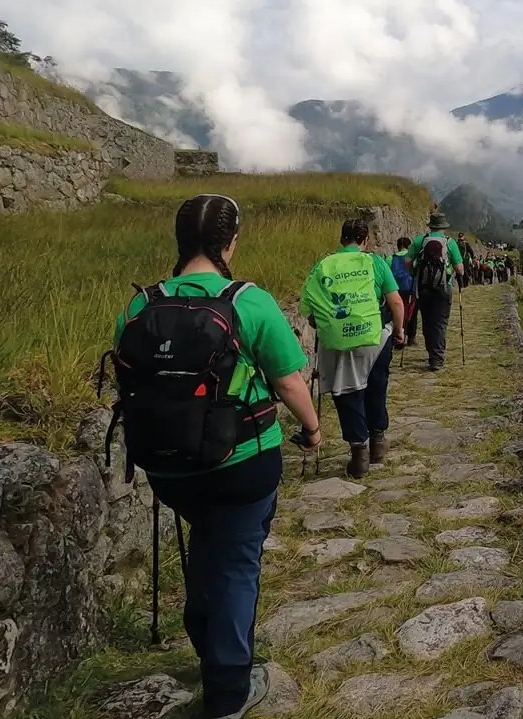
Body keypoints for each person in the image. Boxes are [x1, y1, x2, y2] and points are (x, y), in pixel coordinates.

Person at [110, 194, 321, 719]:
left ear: (179, 242)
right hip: (241, 461)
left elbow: (129, 379)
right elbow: (290, 381)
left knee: (209, 538)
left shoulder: (140, 305)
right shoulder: (248, 302)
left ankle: (205, 634)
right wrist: (313, 430)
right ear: (231, 242)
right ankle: (228, 688)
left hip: (166, 466)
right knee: (235, 561)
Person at [301, 219, 405, 478]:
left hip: (337, 341)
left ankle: (359, 453)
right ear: (365, 241)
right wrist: (400, 330)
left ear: (341, 239)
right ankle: (378, 442)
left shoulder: (323, 266)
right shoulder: (375, 262)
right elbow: (396, 302)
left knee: (347, 393)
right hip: (376, 338)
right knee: (376, 386)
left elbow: (310, 313)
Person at [408, 212, 464, 371]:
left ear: (431, 226)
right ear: (443, 227)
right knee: (440, 323)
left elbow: (407, 260)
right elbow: (460, 269)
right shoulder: (450, 243)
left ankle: (431, 352)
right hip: (442, 288)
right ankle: (436, 358)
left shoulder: (420, 240)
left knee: (427, 321)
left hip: (423, 288)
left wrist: (414, 274)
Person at [390, 236, 418, 345]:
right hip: (411, 289)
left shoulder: (391, 258)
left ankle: (398, 337)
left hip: (395, 290)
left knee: (397, 312)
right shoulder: (412, 258)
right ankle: (411, 337)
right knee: (412, 313)